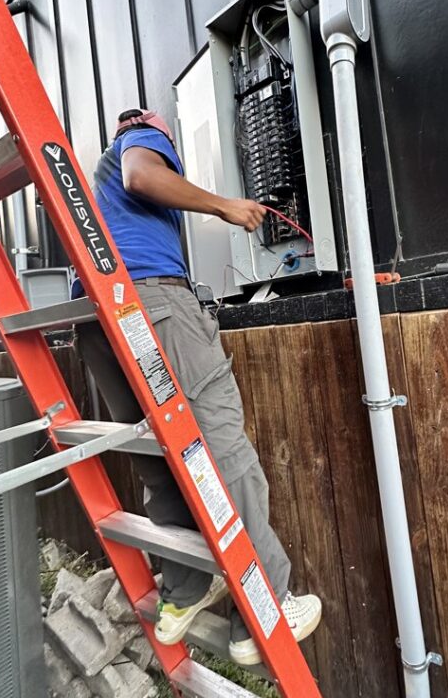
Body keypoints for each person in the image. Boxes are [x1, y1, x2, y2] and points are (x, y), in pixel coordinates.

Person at [75, 108, 321, 665]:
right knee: (223, 448)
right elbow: (143, 173)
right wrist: (226, 206)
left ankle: (184, 592)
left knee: (161, 459)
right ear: (147, 127)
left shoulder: (97, 192)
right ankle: (265, 608)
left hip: (98, 323)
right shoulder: (139, 141)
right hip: (153, 306)